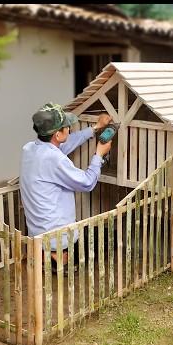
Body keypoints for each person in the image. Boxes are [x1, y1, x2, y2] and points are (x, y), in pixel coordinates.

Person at [20, 102, 112, 270]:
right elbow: (87, 183)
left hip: (36, 231)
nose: (70, 129)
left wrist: (95, 128)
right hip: (57, 234)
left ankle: (45, 258)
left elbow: (64, 145)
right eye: (67, 127)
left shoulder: (29, 149)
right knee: (102, 241)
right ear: (57, 134)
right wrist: (99, 154)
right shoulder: (56, 159)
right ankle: (59, 261)